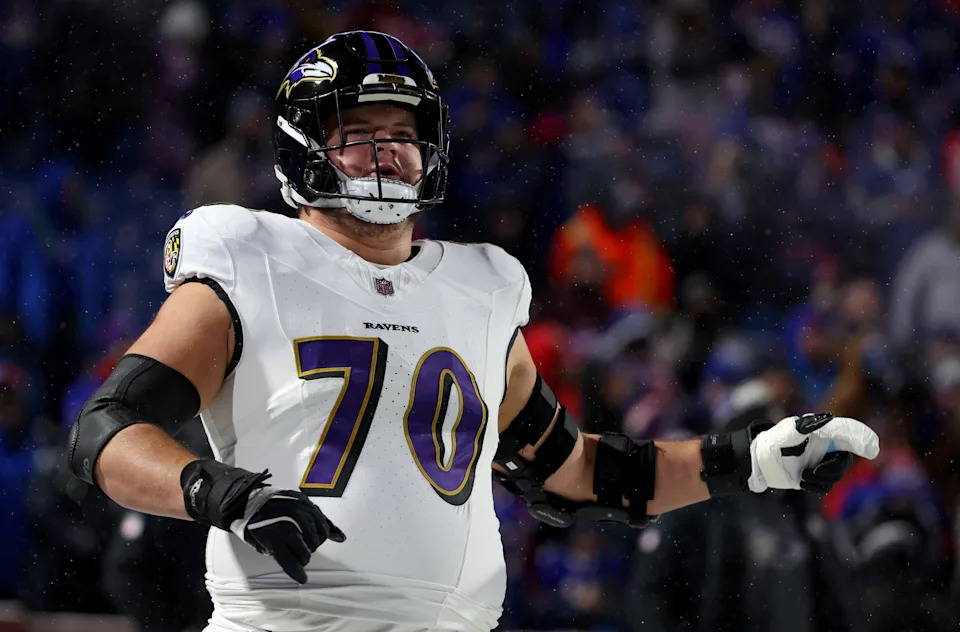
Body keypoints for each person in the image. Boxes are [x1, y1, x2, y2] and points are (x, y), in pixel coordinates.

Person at [67, 31, 881, 632]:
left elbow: (582, 473)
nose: (389, 157)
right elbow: (107, 433)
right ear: (306, 146)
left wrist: (750, 460)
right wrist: (226, 494)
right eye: (360, 137)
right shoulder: (251, 259)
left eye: (404, 135)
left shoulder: (480, 288)